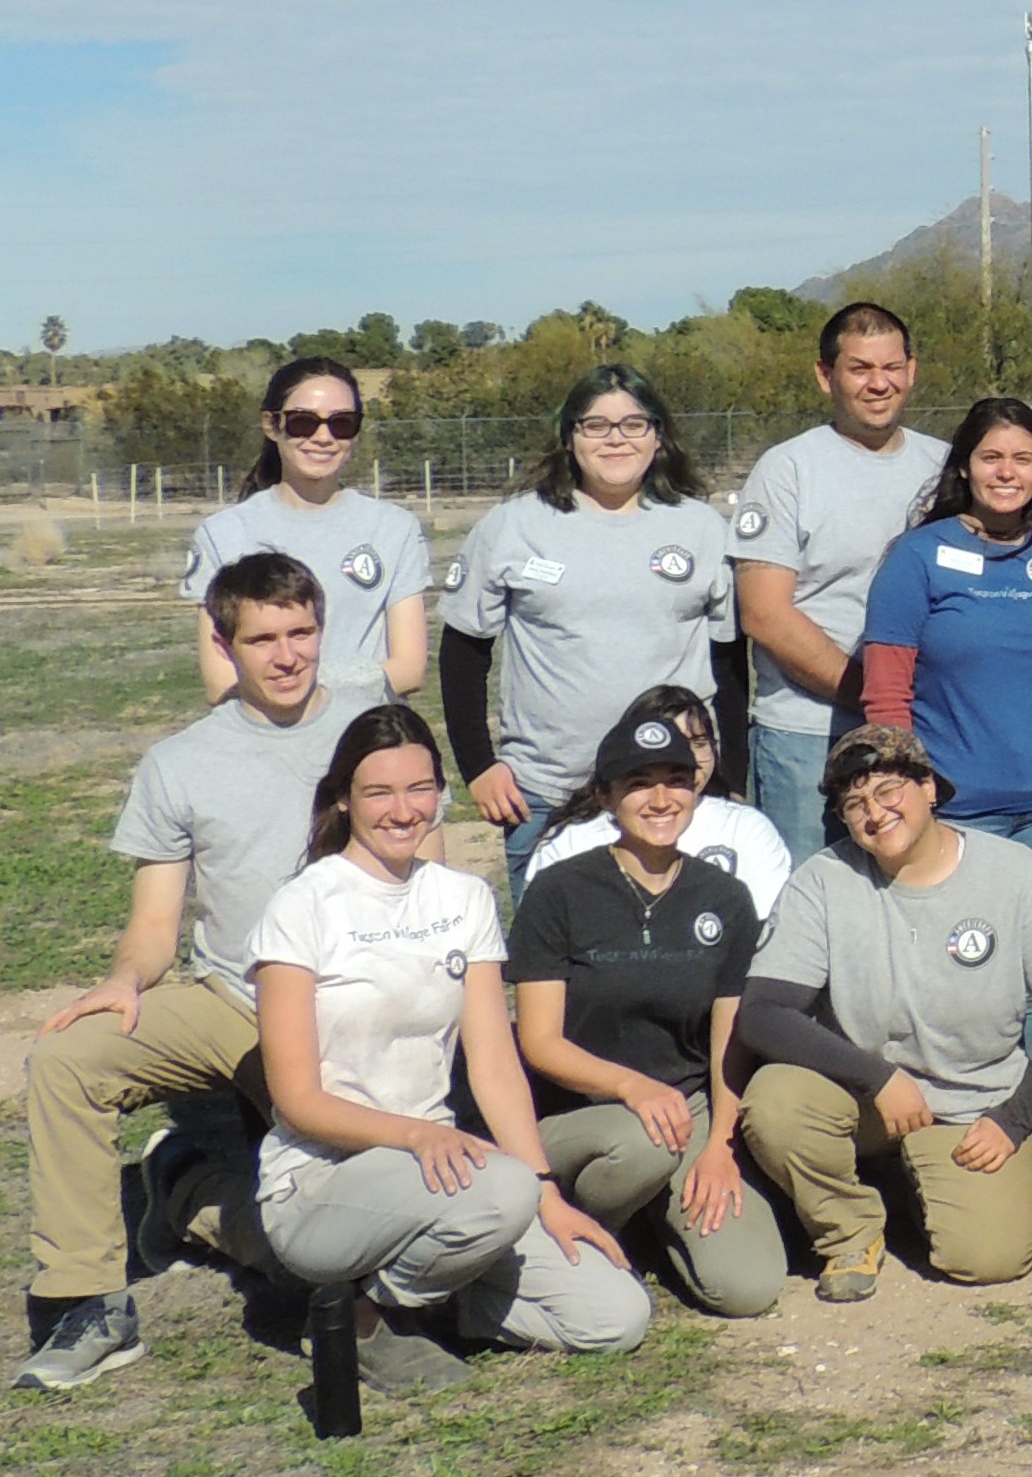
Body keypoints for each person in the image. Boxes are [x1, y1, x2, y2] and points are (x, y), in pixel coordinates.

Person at [17, 556, 347, 1393]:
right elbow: (155, 926)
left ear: (322, 629)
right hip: (234, 998)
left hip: (348, 1004)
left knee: (315, 1253)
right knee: (66, 1061)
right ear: (223, 643)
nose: (286, 655)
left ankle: (187, 1186)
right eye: (262, 637)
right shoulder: (181, 762)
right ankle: (89, 1299)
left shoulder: (373, 730)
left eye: (301, 632)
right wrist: (125, 980)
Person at [251, 707, 650, 1390]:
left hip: (449, 1179)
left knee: (614, 1317)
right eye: (379, 792)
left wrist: (547, 1195)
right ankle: (358, 1316)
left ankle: (436, 1296)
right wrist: (415, 1137)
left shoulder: (463, 898)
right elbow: (297, 1100)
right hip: (325, 1178)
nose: (403, 811)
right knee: (499, 1190)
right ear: (344, 798)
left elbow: (494, 1064)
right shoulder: (302, 906)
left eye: (420, 789)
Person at [740, 727, 1032, 1298]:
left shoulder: (1013, 870)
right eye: (855, 804)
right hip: (868, 1097)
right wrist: (876, 1077)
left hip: (975, 1103)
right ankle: (849, 1229)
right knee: (776, 1103)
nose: (875, 814)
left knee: (988, 1260)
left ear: (929, 787)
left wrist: (1015, 1119)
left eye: (889, 791)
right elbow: (762, 1012)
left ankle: (918, 1185)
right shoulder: (822, 882)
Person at [510, 713, 785, 1316]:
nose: (661, 799)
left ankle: (651, 1221)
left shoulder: (725, 897)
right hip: (583, 1113)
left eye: (676, 780)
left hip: (686, 1112)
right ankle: (585, 1224)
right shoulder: (559, 891)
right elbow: (539, 1041)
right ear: (607, 796)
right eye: (638, 783)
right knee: (641, 1145)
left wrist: (720, 1147)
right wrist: (631, 1087)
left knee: (750, 1287)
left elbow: (727, 1040)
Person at [442, 364, 741, 867]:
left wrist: (731, 774)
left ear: (658, 435)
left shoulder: (702, 528)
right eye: (596, 425)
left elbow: (729, 664)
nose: (616, 440)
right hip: (547, 793)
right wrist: (478, 767)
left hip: (672, 792)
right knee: (553, 945)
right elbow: (463, 652)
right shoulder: (514, 525)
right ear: (570, 437)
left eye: (634, 424)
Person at [860, 398, 1032, 895]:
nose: (1006, 473)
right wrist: (906, 795)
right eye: (990, 457)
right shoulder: (918, 557)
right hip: (956, 810)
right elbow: (887, 698)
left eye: (1023, 459)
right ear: (963, 466)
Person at [733, 301, 948, 862]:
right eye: (860, 369)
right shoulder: (787, 470)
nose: (880, 384)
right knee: (814, 906)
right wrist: (875, 698)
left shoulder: (946, 466)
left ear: (912, 369)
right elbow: (764, 614)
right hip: (809, 736)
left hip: (923, 731)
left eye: (892, 367)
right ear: (825, 376)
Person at [185, 355, 430, 702]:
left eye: (342, 423)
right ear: (272, 426)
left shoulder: (394, 528)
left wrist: (291, 687)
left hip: (367, 742)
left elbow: (408, 669)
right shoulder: (222, 535)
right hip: (268, 745)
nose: (324, 437)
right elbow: (220, 682)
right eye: (303, 422)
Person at [520, 686, 794, 921]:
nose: (688, 758)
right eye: (671, 745)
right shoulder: (572, 840)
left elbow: (767, 931)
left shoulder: (745, 828)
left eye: (698, 743)